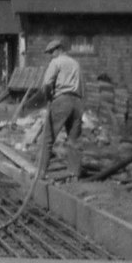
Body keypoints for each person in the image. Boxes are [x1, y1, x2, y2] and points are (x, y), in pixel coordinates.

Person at [40, 39, 84, 178]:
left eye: (52, 52)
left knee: (48, 137)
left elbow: (47, 83)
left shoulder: (56, 62)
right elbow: (82, 86)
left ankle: (41, 172)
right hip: (77, 101)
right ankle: (74, 173)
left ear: (58, 50)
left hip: (61, 100)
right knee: (74, 141)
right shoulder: (75, 64)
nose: (51, 56)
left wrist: (48, 96)